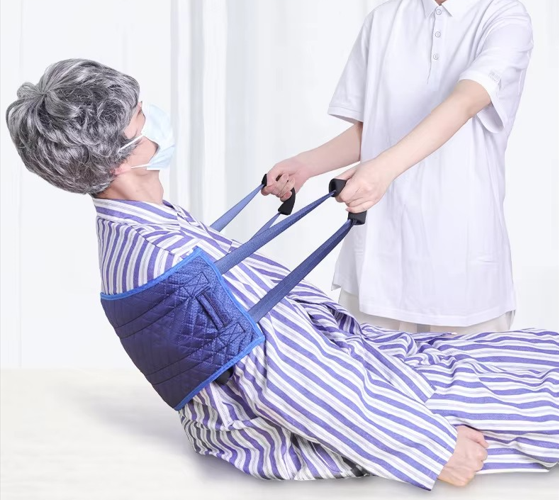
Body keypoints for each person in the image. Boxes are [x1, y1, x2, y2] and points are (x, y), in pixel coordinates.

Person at [6, 59, 558, 490]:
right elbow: (288, 379)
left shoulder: (143, 225)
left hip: (345, 364)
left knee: (533, 351)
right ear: (120, 159)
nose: (156, 115)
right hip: (323, 410)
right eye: (141, 116)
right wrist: (429, 447)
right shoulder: (164, 259)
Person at [264, 0, 534, 335]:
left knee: (465, 386)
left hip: (461, 269)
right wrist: (306, 165)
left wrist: (381, 171)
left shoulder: (504, 18)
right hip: (377, 265)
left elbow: (464, 103)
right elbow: (372, 129)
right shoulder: (385, 21)